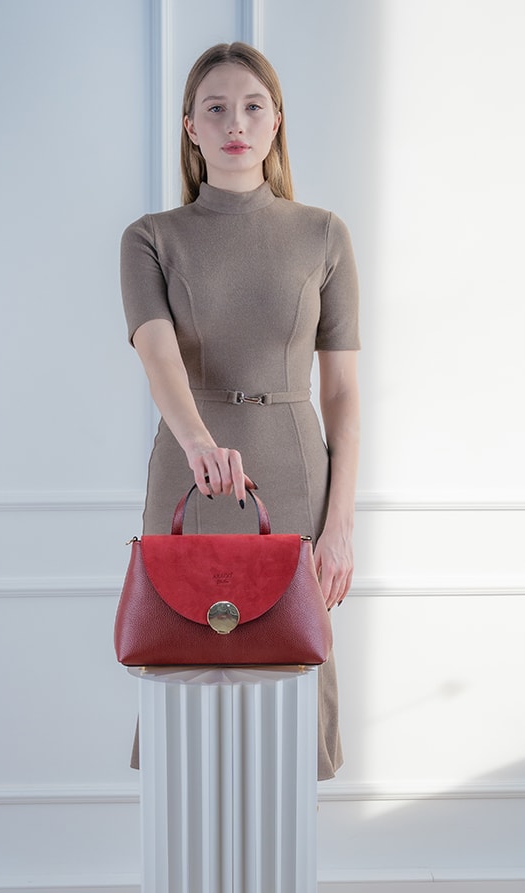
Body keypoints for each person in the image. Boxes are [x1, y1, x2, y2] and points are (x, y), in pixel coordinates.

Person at [120, 42, 360, 779]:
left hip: (294, 471)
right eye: (216, 107)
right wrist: (199, 444)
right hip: (189, 472)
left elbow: (343, 393)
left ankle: (277, 854)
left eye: (253, 107)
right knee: (182, 669)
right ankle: (190, 848)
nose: (235, 123)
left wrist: (340, 527)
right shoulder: (151, 239)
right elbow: (159, 358)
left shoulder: (323, 234)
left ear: (276, 121)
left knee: (290, 681)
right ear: (190, 126)